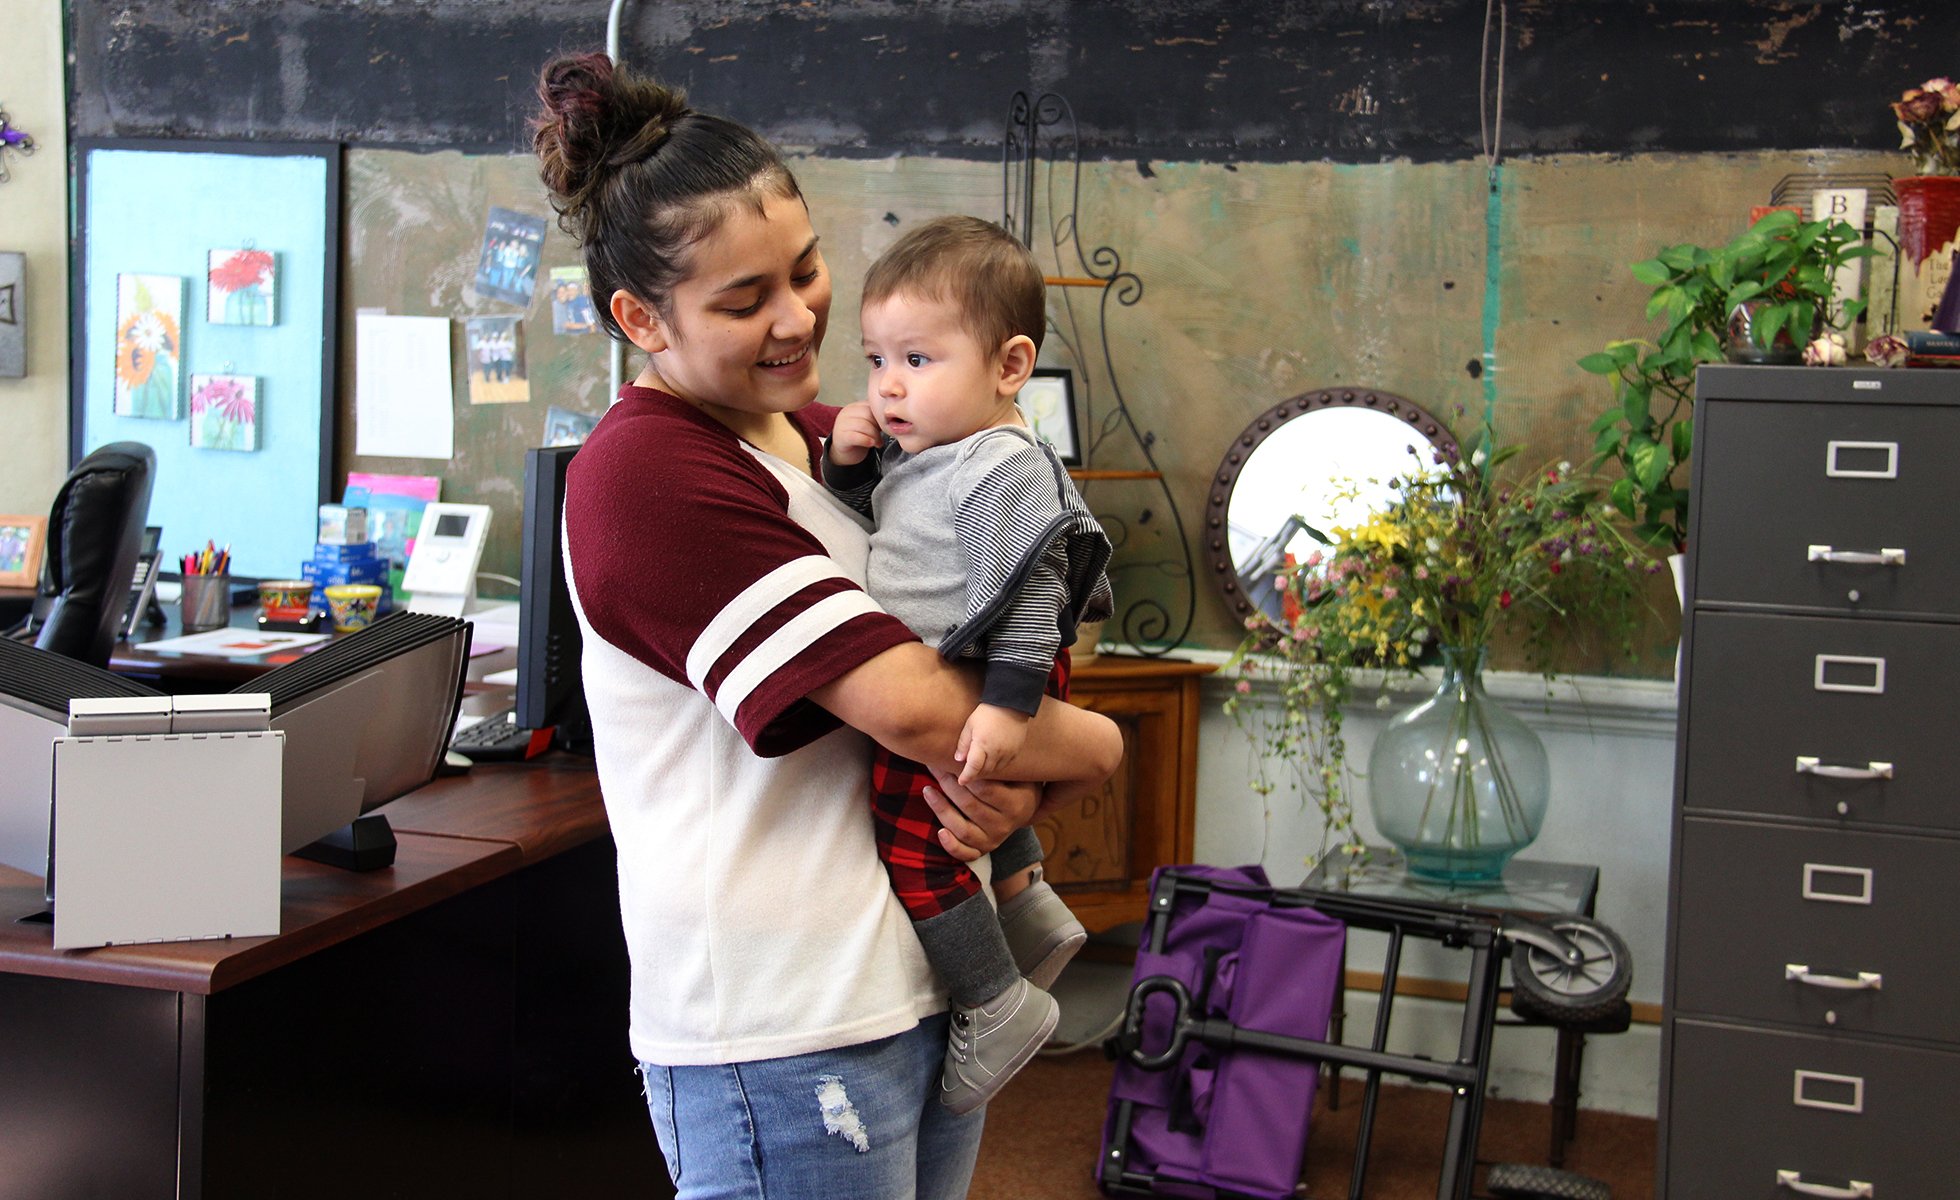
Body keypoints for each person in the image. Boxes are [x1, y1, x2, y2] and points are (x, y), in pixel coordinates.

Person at [530, 52, 1124, 1200]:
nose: (799, 317)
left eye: (805, 272)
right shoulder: (647, 474)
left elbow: (961, 648)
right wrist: (1095, 749)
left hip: (906, 981)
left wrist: (1015, 777)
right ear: (638, 317)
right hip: (779, 1021)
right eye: (744, 301)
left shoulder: (817, 434)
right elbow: (906, 706)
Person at [821, 216, 1113, 1114]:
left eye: (917, 359)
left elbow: (1030, 588)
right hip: (979, 671)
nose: (888, 385)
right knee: (967, 811)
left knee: (916, 848)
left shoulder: (998, 464)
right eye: (875, 360)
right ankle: (1028, 904)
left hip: (995, 674)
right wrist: (848, 465)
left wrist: (1007, 706)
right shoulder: (942, 452)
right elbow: (900, 538)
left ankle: (995, 1004)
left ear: (1010, 366)